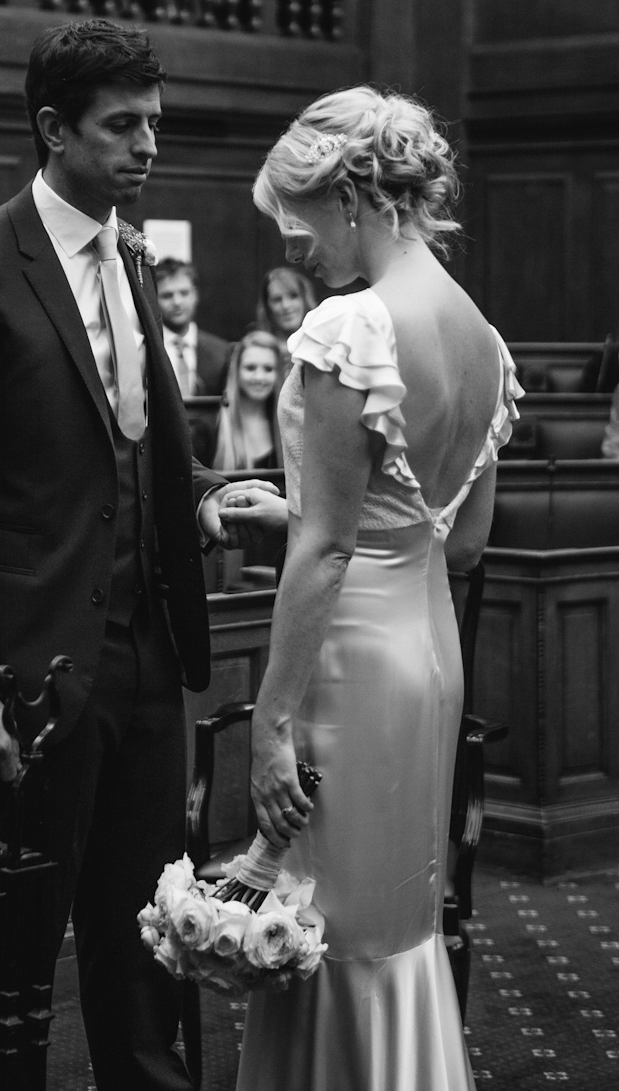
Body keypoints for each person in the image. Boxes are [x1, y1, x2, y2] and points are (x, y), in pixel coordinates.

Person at [0, 18, 265, 1091]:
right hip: (34, 676)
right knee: (13, 952)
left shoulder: (132, 257)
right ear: (54, 130)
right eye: (123, 126)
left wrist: (214, 500)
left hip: (146, 659)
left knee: (149, 934)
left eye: (155, 123)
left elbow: (128, 459)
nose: (148, 145)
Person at [219, 87, 522, 1091]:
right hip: (429, 652)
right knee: (397, 921)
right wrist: (309, 517)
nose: (298, 249)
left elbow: (329, 555)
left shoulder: (350, 326)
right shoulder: (481, 336)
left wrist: (268, 722)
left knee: (326, 929)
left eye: (298, 221)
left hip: (348, 664)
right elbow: (458, 539)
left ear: (353, 198)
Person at [155, 256, 230, 397]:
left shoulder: (222, 352)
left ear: (195, 294)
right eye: (167, 296)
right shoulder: (146, 350)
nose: (177, 302)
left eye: (184, 293)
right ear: (154, 299)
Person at [210, 330, 284, 471]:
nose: (259, 377)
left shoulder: (289, 426)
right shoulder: (210, 427)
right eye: (250, 368)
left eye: (268, 369)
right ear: (236, 371)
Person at [256, 264, 318, 364]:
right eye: (277, 300)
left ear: (305, 300)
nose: (286, 305)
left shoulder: (322, 345)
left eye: (293, 296)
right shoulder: (257, 350)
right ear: (267, 307)